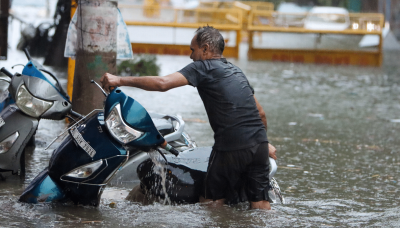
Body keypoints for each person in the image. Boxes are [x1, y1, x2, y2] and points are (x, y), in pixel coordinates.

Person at [100, 26, 277, 210]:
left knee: (211, 202)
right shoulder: (237, 72)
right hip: (259, 146)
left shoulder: (202, 67)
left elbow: (162, 84)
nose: (191, 56)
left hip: (230, 146)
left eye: (193, 50)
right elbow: (260, 113)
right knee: (260, 202)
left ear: (206, 48)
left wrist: (119, 80)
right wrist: (265, 144)